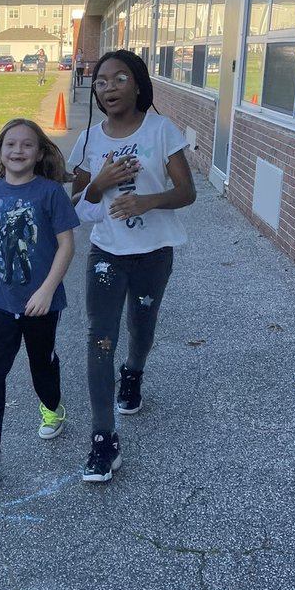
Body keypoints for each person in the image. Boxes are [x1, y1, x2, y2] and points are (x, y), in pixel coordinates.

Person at [69, 49, 196, 484]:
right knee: (99, 339)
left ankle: (134, 373)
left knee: (141, 327)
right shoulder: (88, 142)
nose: (108, 89)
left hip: (154, 252)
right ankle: (104, 439)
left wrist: (147, 200)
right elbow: (78, 209)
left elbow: (187, 192)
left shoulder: (162, 130)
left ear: (138, 84)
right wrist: (98, 183)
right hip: (106, 254)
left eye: (119, 79)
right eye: (101, 82)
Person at [0, 119, 79, 484]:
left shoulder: (50, 193)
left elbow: (67, 245)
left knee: (41, 364)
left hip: (41, 303)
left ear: (40, 152)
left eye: (27, 145)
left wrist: (46, 290)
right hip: (0, 301)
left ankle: (52, 407)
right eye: (11, 144)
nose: (18, 151)